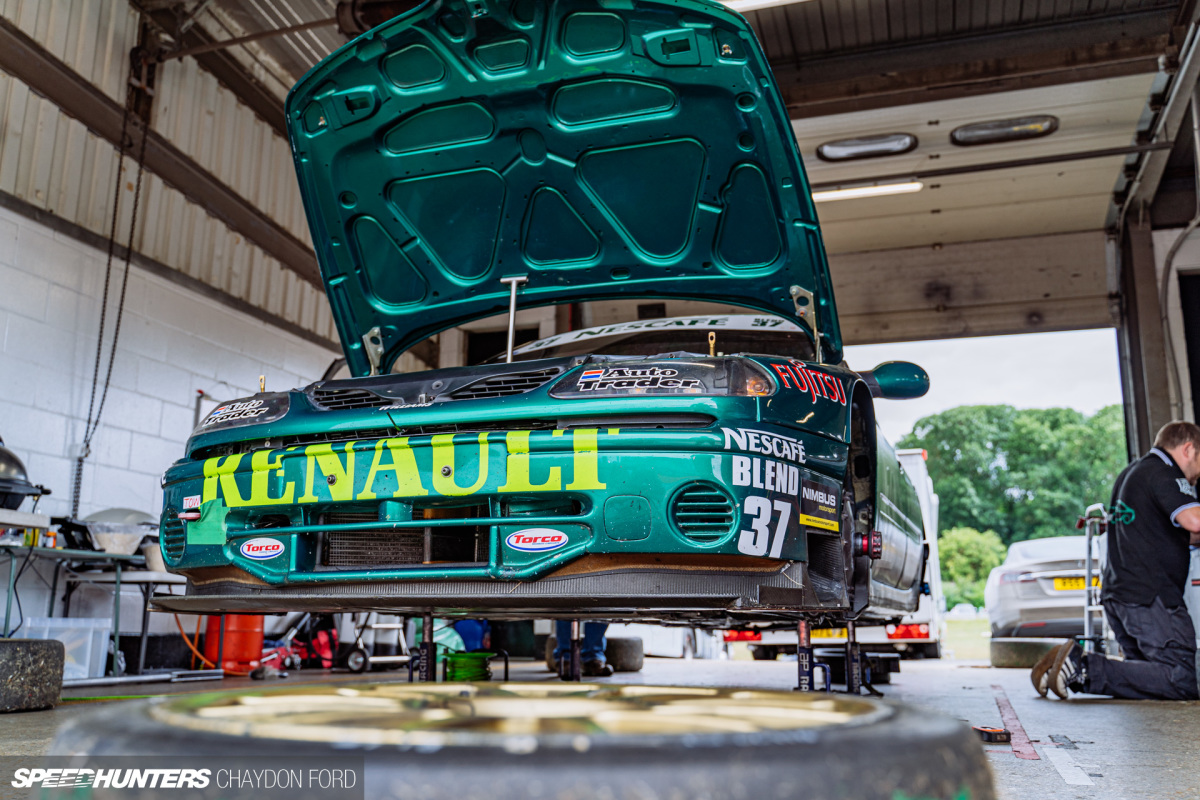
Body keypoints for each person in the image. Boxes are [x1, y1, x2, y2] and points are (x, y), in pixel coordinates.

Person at [1035, 421, 1200, 700]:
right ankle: (1082, 667)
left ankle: (1060, 667)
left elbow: (1170, 533)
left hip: (1120, 597)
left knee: (1147, 676)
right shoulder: (1165, 473)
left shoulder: (1132, 473)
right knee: (1182, 678)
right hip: (1151, 599)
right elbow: (1194, 521)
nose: (1198, 474)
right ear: (1188, 448)